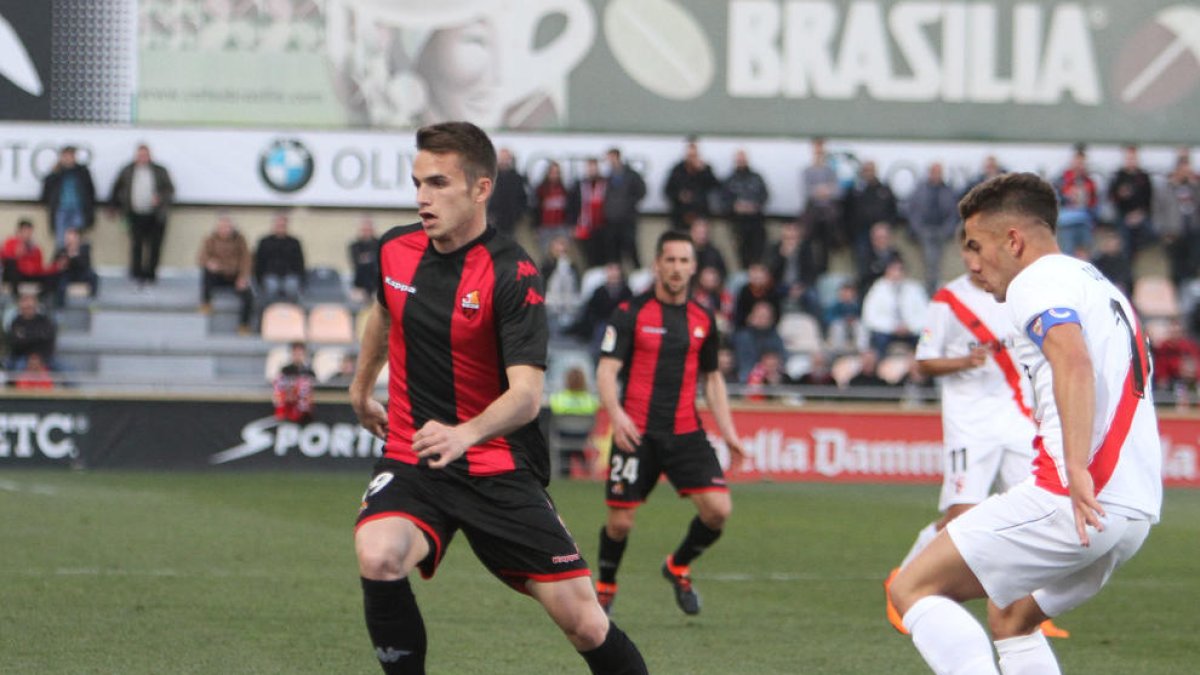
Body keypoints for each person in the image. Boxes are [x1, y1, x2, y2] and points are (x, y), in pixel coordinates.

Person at [349, 121, 647, 675]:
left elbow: (527, 397)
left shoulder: (513, 272)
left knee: (584, 621)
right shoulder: (395, 250)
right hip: (416, 455)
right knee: (379, 555)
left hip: (497, 464)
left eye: (438, 184)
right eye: (417, 183)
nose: (421, 198)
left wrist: (464, 434)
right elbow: (383, 313)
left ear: (482, 189)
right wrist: (361, 388)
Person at [890, 172, 1161, 673]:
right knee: (1012, 618)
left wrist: (1076, 467)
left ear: (1013, 240)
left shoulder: (1034, 282)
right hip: (1133, 510)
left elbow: (1072, 361)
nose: (971, 263)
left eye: (975, 245)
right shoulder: (1098, 284)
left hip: (1074, 495)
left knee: (911, 587)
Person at [883, 266, 1067, 638]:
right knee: (961, 517)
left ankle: (1024, 609)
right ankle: (903, 581)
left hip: (1018, 420)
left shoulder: (1018, 295)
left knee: (1036, 515)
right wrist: (965, 361)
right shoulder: (948, 300)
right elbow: (922, 362)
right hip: (971, 425)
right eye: (972, 246)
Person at [593, 229, 746, 618]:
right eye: (670, 260)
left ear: (694, 267)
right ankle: (607, 586)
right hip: (636, 433)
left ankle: (677, 566)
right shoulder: (631, 313)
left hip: (685, 432)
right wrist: (617, 415)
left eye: (684, 261)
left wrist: (728, 434)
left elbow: (712, 378)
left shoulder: (703, 318)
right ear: (657, 264)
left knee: (718, 511)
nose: (677, 268)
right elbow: (607, 370)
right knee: (620, 523)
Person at [109, 143, 176, 286]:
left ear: (150, 156)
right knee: (136, 245)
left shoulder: (160, 170)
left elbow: (170, 190)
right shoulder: (127, 170)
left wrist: (160, 198)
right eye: (140, 155)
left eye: (145, 155)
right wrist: (114, 207)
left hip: (155, 215)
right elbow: (117, 188)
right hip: (135, 214)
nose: (143, 158)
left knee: (154, 246)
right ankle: (136, 274)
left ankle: (151, 275)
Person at [906, 162, 960, 295]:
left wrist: (947, 230)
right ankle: (929, 291)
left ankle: (937, 290)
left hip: (942, 231)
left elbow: (953, 212)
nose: (936, 175)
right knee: (930, 262)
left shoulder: (948, 190)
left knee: (940, 264)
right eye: (933, 172)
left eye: (938, 172)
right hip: (924, 231)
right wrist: (918, 229)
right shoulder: (920, 189)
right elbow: (912, 210)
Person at [197, 214, 254, 334]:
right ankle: (206, 303)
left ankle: (244, 325)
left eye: (228, 227)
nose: (225, 229)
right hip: (217, 275)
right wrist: (209, 262)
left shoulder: (240, 240)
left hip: (235, 276)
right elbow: (201, 257)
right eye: (222, 227)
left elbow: (246, 259)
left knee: (249, 296)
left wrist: (243, 277)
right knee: (206, 273)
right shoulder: (210, 239)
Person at [860, 259, 927, 357]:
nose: (896, 273)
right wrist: (893, 327)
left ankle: (921, 366)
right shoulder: (877, 289)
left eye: (899, 270)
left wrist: (910, 326)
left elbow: (926, 314)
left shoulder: (915, 288)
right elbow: (869, 317)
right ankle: (881, 367)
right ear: (887, 271)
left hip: (910, 330)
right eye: (893, 270)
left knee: (927, 337)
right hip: (886, 331)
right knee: (878, 339)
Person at [842, 160, 898, 270]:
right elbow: (847, 211)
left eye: (871, 170)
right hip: (861, 232)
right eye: (866, 170)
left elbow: (893, 210)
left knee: (884, 261)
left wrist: (886, 226)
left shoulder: (884, 190)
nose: (869, 173)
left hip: (881, 233)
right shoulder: (855, 190)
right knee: (862, 261)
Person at [39, 146, 96, 246]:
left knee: (77, 240)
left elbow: (90, 191)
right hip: (61, 209)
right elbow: (46, 189)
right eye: (66, 156)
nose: (69, 159)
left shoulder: (82, 172)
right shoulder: (57, 172)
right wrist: (55, 171)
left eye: (71, 156)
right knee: (61, 240)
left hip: (78, 209)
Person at [723, 149, 770, 267]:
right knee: (741, 256)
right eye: (739, 159)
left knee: (758, 255)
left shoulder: (757, 177)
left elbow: (765, 195)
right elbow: (723, 200)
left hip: (756, 222)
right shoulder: (729, 179)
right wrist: (735, 206)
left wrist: (754, 206)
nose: (741, 162)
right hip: (738, 223)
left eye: (743, 159)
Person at [603, 148, 647, 269]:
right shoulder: (608, 177)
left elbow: (641, 191)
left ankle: (638, 273)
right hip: (612, 221)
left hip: (627, 220)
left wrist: (629, 203)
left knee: (631, 249)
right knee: (614, 252)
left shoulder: (631, 175)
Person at [1107, 144, 1154, 255]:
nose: (1131, 161)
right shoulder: (1119, 176)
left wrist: (1140, 214)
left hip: (1141, 214)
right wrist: (1120, 195)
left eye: (1133, 158)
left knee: (1150, 233)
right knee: (1124, 236)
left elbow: (1149, 198)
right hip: (1123, 215)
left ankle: (1141, 256)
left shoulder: (1144, 176)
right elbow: (1112, 197)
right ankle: (1127, 265)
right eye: (1129, 158)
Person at [664, 139, 719, 231]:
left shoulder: (705, 169)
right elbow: (667, 190)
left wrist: (703, 171)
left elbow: (715, 186)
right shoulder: (677, 170)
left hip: (700, 214)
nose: (692, 158)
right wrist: (679, 196)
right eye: (690, 155)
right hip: (680, 214)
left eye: (694, 156)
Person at [1054, 145, 1098, 257]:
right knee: (1067, 255)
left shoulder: (1089, 182)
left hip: (1084, 223)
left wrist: (1086, 200)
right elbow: (1054, 199)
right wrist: (1068, 197)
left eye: (1082, 162)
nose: (1079, 165)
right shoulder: (1061, 180)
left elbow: (1094, 204)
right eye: (1077, 161)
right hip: (1066, 223)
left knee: (1086, 256)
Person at [255, 211, 307, 303]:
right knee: (271, 287)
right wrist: (260, 279)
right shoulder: (265, 242)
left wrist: (301, 279)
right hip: (270, 275)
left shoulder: (294, 242)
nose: (280, 227)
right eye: (278, 224)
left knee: (292, 287)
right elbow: (259, 262)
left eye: (283, 225)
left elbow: (300, 263)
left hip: (290, 275)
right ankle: (269, 313)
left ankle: (291, 314)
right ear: (273, 225)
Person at [1, 219, 61, 297]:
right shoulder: (11, 242)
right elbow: (4, 259)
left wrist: (55, 267)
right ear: (19, 231)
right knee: (11, 263)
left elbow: (39, 268)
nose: (27, 234)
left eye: (29, 232)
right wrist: (17, 255)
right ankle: (16, 296)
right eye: (25, 231)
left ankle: (41, 299)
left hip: (29, 274)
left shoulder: (35, 248)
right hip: (15, 274)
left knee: (52, 277)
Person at [568, 157, 609, 267]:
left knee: (605, 257)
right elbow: (572, 206)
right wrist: (573, 225)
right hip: (585, 227)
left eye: (594, 167)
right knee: (588, 258)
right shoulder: (579, 185)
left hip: (603, 227)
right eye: (590, 168)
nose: (592, 170)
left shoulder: (606, 184)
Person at [6, 292, 56, 371]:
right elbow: (15, 343)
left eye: (30, 306)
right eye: (26, 307)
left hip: (43, 357)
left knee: (66, 369)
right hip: (22, 357)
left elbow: (48, 338)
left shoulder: (44, 320)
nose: (28, 308)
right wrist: (36, 336)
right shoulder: (16, 322)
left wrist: (26, 336)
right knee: (16, 368)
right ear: (20, 307)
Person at [487, 148, 530, 237]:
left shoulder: (516, 178)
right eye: (502, 158)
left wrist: (518, 215)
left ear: (510, 159)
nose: (504, 161)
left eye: (506, 158)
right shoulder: (490, 176)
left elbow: (523, 198)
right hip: (493, 220)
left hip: (511, 221)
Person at [53, 227, 99, 307]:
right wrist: (61, 263)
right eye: (68, 238)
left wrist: (73, 255)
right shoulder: (61, 250)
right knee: (60, 282)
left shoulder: (84, 249)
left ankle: (92, 301)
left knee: (93, 276)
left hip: (81, 273)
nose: (70, 241)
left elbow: (86, 264)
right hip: (68, 274)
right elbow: (54, 264)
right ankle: (60, 306)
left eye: (72, 238)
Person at [533, 160, 571, 254]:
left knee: (562, 252)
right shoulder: (541, 189)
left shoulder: (564, 189)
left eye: (557, 173)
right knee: (546, 254)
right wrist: (536, 226)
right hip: (545, 227)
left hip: (560, 226)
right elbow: (535, 209)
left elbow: (568, 209)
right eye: (552, 172)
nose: (554, 175)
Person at [273, 341, 316, 423]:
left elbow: (314, 385)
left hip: (305, 409)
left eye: (300, 353)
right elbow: (280, 386)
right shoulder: (285, 370)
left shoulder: (309, 371)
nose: (298, 356)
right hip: (289, 406)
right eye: (295, 353)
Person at [349, 216, 380, 300]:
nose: (366, 232)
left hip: (377, 283)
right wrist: (372, 257)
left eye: (368, 229)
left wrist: (367, 258)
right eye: (364, 230)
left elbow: (379, 262)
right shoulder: (355, 246)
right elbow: (356, 262)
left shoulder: (379, 244)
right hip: (360, 283)